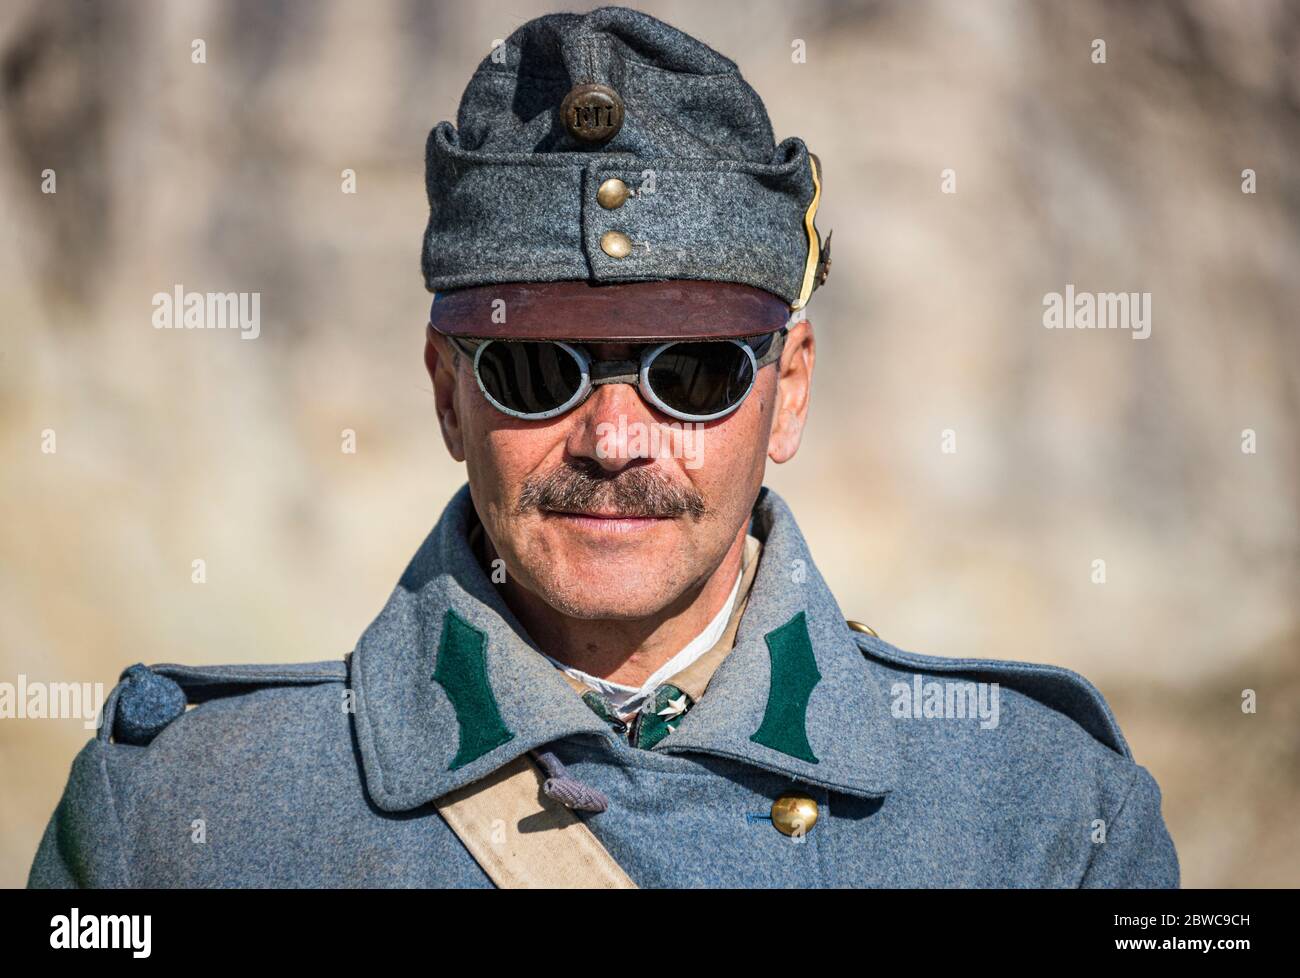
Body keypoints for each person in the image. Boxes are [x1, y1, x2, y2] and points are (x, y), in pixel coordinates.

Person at [29, 5, 1178, 888]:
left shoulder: (1043, 815)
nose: (615, 440)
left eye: (694, 373)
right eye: (540, 370)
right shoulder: (179, 817)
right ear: (446, 394)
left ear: (787, 396)